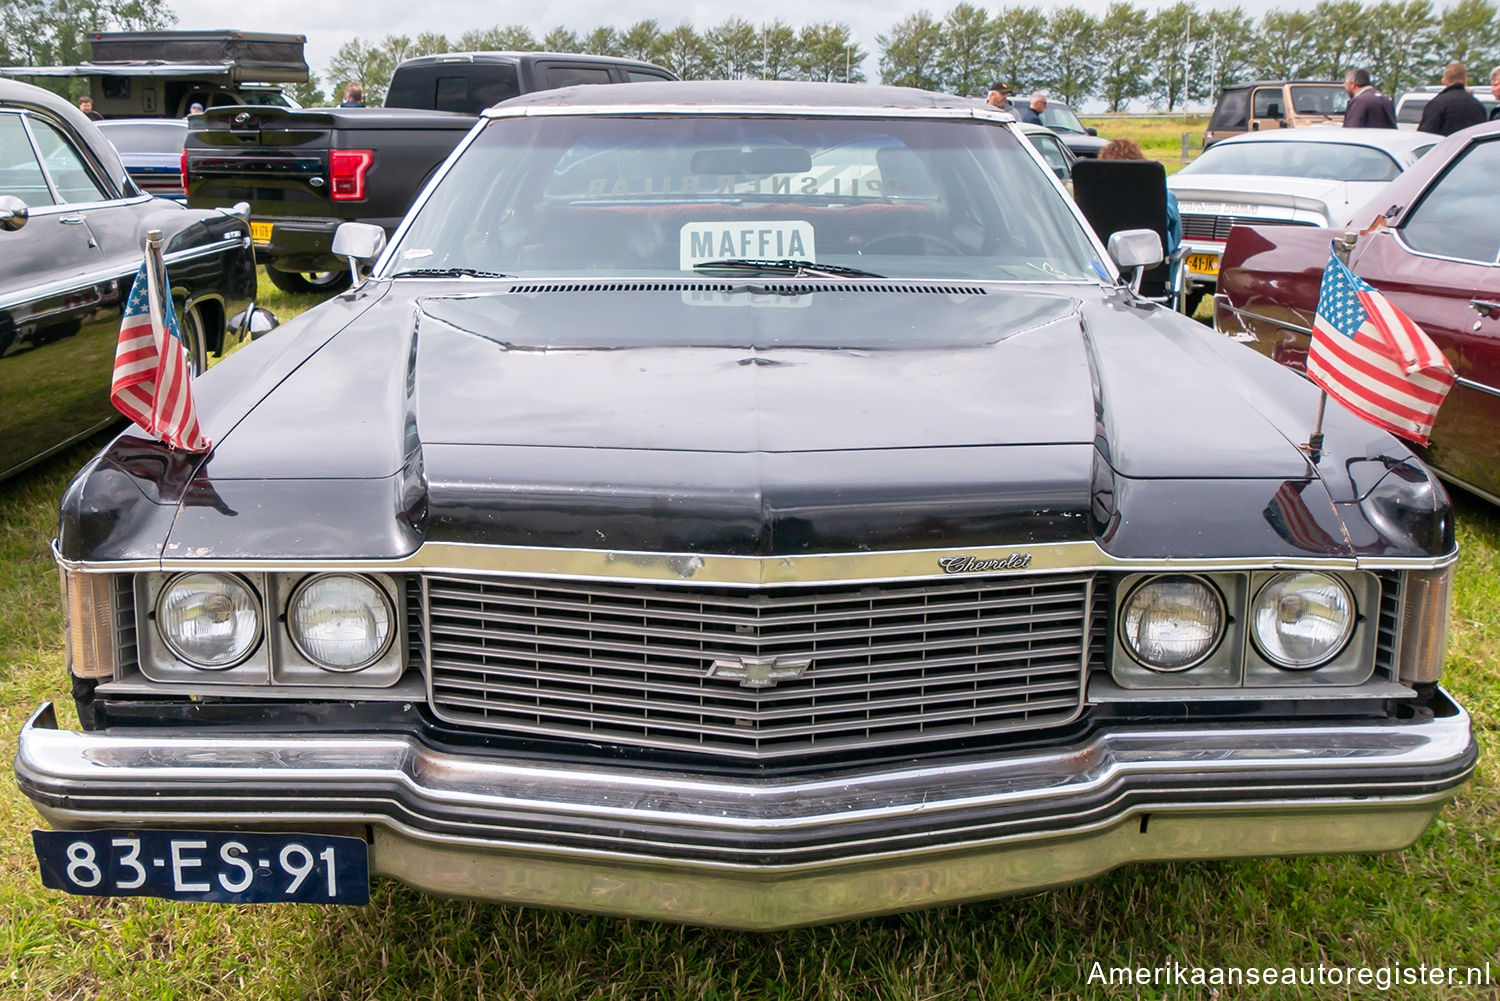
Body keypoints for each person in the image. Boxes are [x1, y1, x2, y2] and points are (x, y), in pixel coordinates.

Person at [1098, 138, 1181, 258]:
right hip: (1153, 266)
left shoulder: (1093, 198)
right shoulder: (1165, 196)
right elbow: (1176, 237)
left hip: (1103, 265)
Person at [1417, 62, 1486, 136]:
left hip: (1446, 147)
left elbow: (1425, 135)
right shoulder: (1478, 106)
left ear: (1443, 80)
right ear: (1465, 80)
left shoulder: (1437, 104)